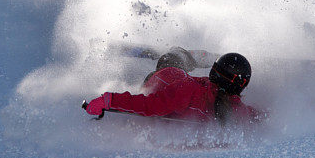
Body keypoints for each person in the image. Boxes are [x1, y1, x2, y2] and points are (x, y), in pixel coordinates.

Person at [83, 52, 262, 125]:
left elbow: (147, 106)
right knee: (174, 61)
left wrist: (109, 100)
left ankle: (180, 52)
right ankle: (181, 53)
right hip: (168, 78)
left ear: (214, 72)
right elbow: (147, 105)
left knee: (172, 58)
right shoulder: (236, 108)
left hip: (169, 77)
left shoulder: (189, 92)